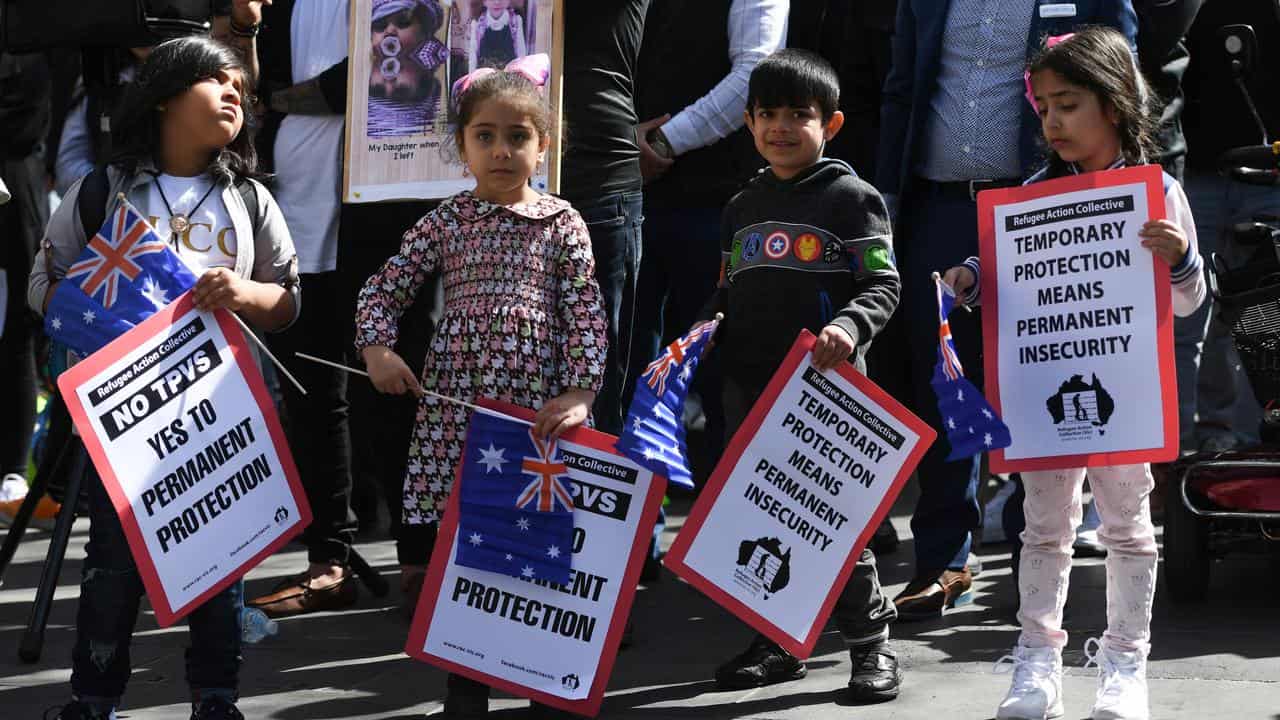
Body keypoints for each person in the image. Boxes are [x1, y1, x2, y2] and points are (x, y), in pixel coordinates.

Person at [28, 36, 300, 720]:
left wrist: (241, 293)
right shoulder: (100, 190)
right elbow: (46, 283)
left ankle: (216, 698)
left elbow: (288, 301)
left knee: (221, 561)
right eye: (218, 80)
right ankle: (93, 699)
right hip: (126, 421)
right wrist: (100, 314)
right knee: (113, 567)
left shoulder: (253, 200)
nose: (237, 93)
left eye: (243, 85)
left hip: (218, 416)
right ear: (167, 95)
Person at [941, 28, 1204, 720]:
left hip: (1128, 395)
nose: (1053, 122)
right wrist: (972, 276)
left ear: (1113, 106)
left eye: (1068, 105)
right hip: (1044, 394)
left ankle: (1125, 666)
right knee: (1044, 529)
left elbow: (1188, 300)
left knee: (1128, 528)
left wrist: (1176, 257)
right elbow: (1007, 287)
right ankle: (1037, 664)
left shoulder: (1158, 192)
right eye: (1044, 108)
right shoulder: (1027, 197)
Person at [354, 58, 608, 717]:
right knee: (464, 555)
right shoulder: (446, 221)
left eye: (518, 136)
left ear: (543, 145)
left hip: (536, 416)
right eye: (486, 135)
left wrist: (580, 393)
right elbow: (383, 289)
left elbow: (584, 311)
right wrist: (378, 348)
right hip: (456, 414)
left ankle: (546, 682)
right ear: (461, 145)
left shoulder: (562, 224)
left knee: (534, 551)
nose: (502, 150)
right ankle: (465, 690)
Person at [876, 0, 1137, 622]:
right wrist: (887, 199)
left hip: (1048, 204)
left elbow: (1122, 75)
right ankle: (943, 561)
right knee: (943, 383)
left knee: (1039, 378)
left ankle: (1035, 563)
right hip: (937, 209)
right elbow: (902, 90)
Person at [700, 49, 903, 703]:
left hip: (829, 397)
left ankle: (872, 648)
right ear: (748, 122)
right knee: (763, 522)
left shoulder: (853, 198)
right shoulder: (740, 207)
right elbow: (725, 294)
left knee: (836, 525)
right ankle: (780, 642)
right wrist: (695, 338)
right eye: (766, 115)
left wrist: (848, 327)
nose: (780, 128)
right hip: (751, 392)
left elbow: (883, 284)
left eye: (798, 115)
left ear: (832, 124)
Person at [468, 0, 526, 71]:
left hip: (509, 76)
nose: (497, 2)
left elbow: (521, 53)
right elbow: (473, 55)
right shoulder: (478, 24)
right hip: (484, 77)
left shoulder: (516, 21)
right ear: (483, 2)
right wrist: (471, 77)